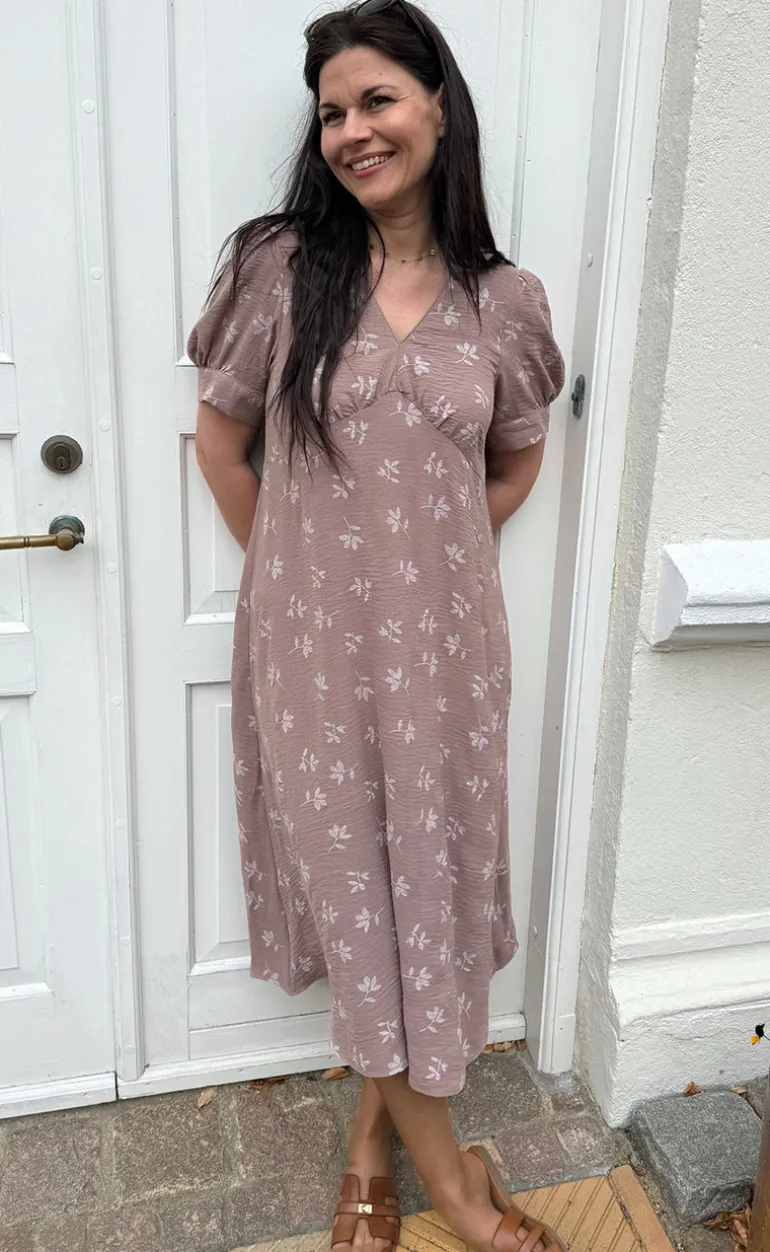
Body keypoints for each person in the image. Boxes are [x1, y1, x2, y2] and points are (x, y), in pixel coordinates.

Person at [187, 1, 566, 1248]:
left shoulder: (503, 299)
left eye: (376, 100)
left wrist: (425, 567)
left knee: (419, 897)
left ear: (437, 107)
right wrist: (308, 580)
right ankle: (456, 1187)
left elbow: (512, 460)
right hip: (311, 657)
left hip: (448, 661)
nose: (352, 130)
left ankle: (367, 1144)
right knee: (357, 899)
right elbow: (221, 445)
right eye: (332, 112)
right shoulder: (279, 269)